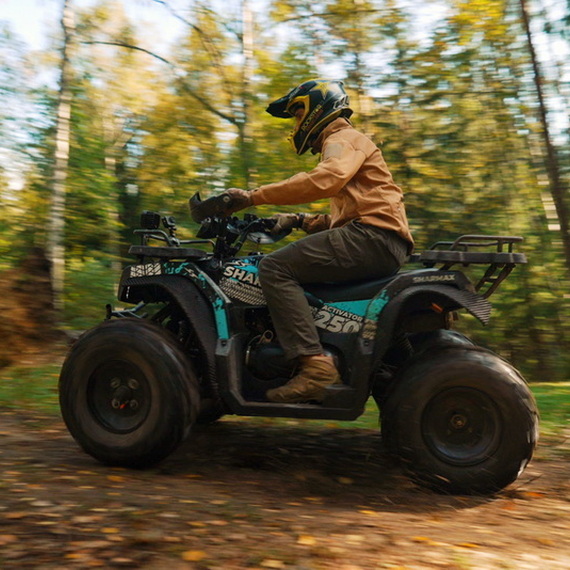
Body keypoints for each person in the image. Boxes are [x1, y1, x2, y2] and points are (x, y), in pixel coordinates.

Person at [226, 79, 414, 404]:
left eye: (297, 116)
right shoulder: (349, 144)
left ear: (316, 109)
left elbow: (326, 180)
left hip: (371, 238)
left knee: (274, 268)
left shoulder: (342, 138)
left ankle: (315, 365)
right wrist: (298, 221)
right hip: (375, 237)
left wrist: (252, 197)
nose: (295, 126)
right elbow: (346, 215)